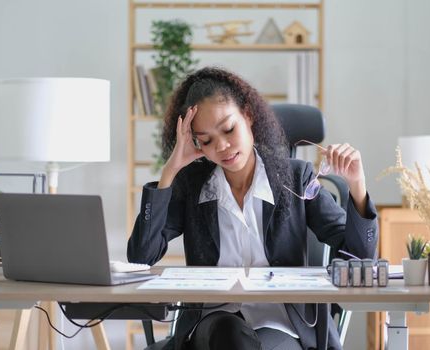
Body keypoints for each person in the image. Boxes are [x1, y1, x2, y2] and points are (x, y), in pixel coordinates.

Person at [127, 66, 378, 350]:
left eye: (228, 129)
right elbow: (141, 257)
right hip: (214, 325)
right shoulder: (192, 186)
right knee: (228, 334)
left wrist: (357, 185)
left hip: (281, 323)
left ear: (247, 115)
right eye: (206, 140)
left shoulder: (296, 178)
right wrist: (170, 171)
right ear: (195, 142)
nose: (222, 146)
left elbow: (358, 256)